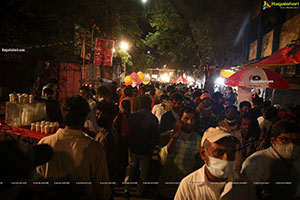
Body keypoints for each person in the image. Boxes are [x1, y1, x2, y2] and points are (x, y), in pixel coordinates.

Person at [36, 96, 111, 199]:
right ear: (85, 117)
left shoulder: (44, 143)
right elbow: (103, 189)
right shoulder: (95, 149)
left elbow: (37, 184)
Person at [175, 127, 257, 200]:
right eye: (218, 152)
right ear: (203, 154)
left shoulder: (245, 184)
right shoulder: (188, 185)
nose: (226, 158)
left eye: (231, 152)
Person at [241, 120, 300, 200]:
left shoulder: (297, 159)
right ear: (273, 141)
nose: (292, 145)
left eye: (296, 141)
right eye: (284, 140)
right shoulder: (257, 162)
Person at [158, 107, 202, 199]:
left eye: (192, 119)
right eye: (186, 119)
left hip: (186, 188)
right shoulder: (168, 136)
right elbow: (163, 159)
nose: (190, 122)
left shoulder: (199, 140)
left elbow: (198, 166)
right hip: (166, 185)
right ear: (180, 120)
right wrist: (175, 136)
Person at [123, 95, 159, 198]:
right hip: (146, 149)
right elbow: (155, 135)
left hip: (133, 147)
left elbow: (128, 131)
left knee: (130, 168)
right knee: (143, 171)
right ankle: (139, 191)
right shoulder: (153, 118)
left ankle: (126, 189)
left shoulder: (133, 116)